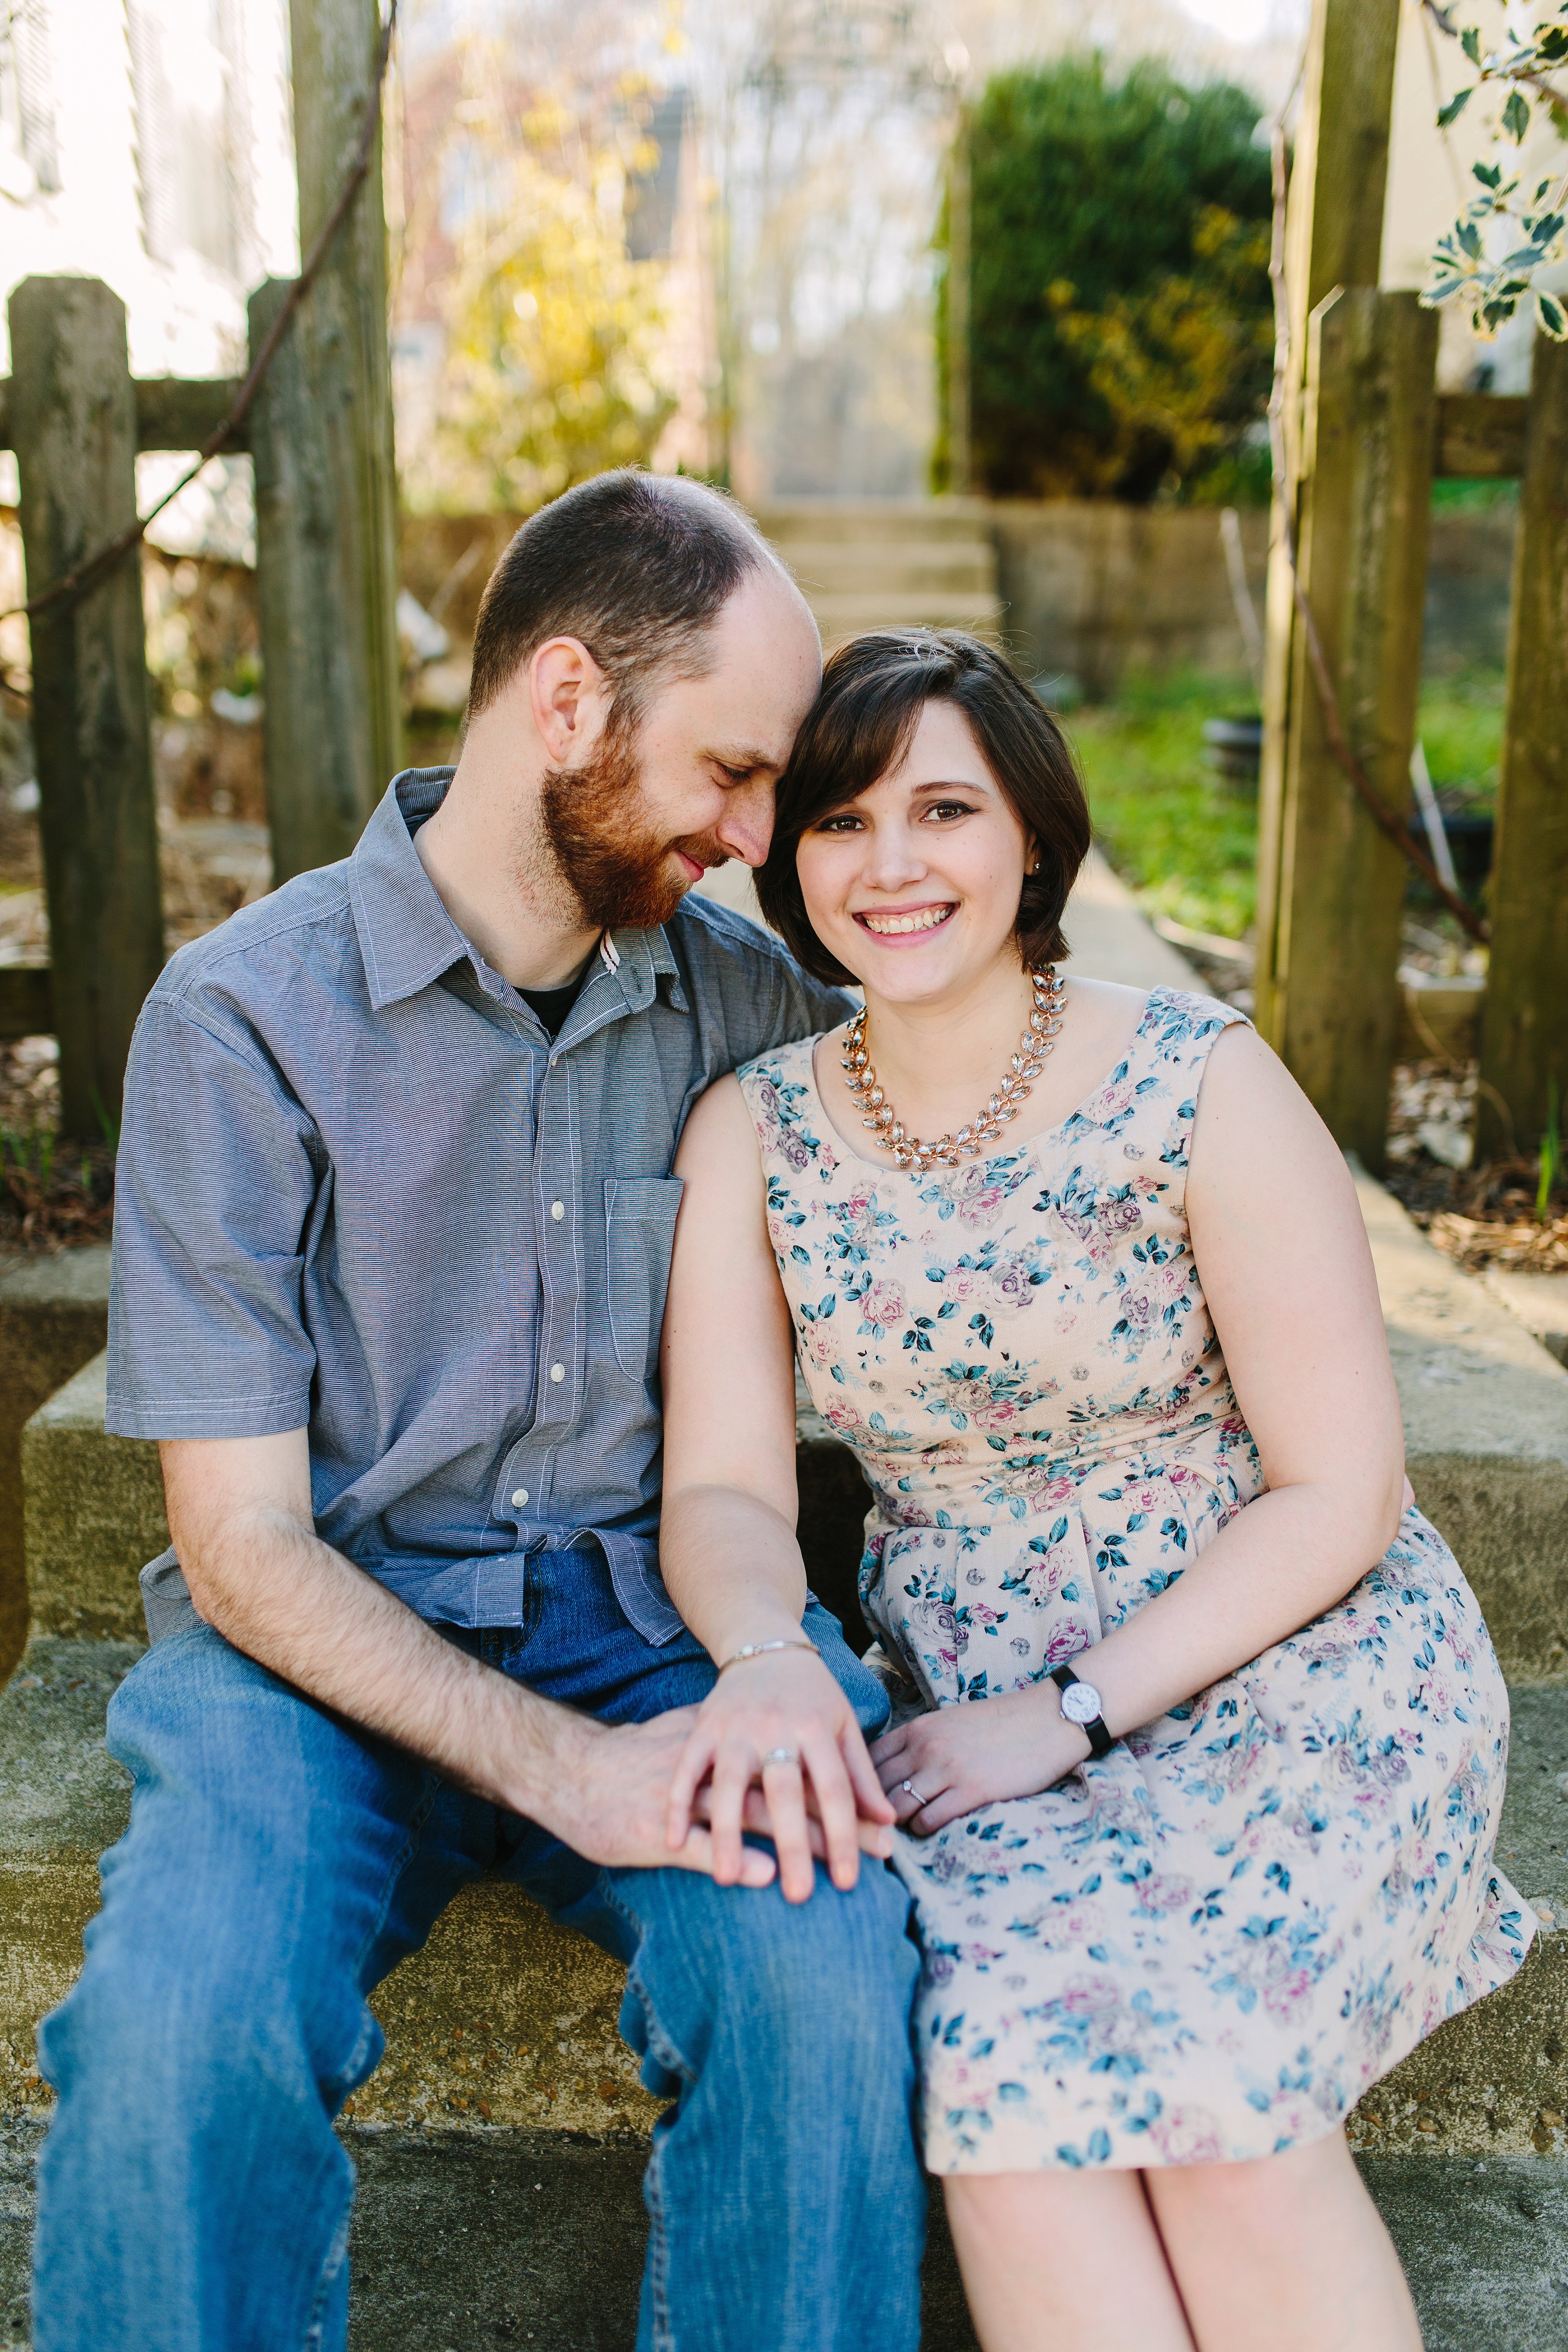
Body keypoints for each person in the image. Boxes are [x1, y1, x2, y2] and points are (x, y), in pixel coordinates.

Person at [32, 473, 927, 2352]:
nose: (763, 839)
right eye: (735, 771)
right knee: (175, 2024)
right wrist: (573, 1778)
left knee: (828, 1981)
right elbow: (242, 1540)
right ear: (570, 700)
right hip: (313, 1643)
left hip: (660, 1623)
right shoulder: (239, 1023)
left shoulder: (747, 1010)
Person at [656, 628, 1533, 2352]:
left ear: (1035, 839)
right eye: (839, 821)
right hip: (966, 1701)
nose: (890, 865)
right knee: (1000, 2111)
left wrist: (1068, 1710)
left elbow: (1336, 1487)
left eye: (944, 809)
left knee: (1221, 2123)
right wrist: (767, 1651)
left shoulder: (1196, 1080)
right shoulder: (749, 1132)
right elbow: (726, 1493)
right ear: (789, 858)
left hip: (1285, 1658)